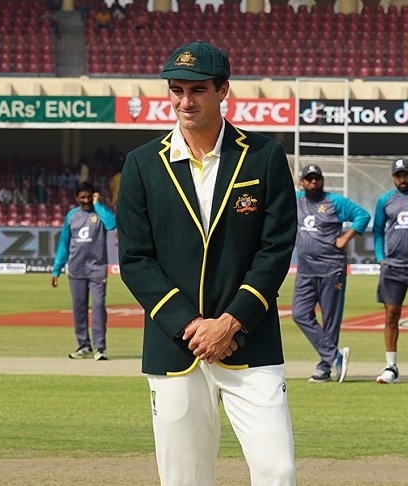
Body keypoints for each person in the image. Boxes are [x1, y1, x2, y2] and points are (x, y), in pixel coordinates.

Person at [116, 41, 297, 485]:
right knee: (184, 479)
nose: (184, 101)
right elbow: (135, 259)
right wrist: (191, 326)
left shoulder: (264, 156)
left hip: (248, 343)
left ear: (222, 90)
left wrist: (231, 323)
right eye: (176, 90)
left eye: (197, 90)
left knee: (278, 469)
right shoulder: (141, 164)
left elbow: (276, 249)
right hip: (177, 346)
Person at [292, 164, 370, 383]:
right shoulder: (295, 200)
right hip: (306, 270)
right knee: (300, 314)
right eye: (309, 179)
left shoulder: (335, 202)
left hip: (331, 269)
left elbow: (362, 215)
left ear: (322, 181)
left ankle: (325, 367)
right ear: (302, 182)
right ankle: (335, 356)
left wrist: (345, 238)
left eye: (317, 178)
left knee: (330, 320)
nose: (313, 182)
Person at [51, 181, 116, 361]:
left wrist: (98, 204)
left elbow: (111, 225)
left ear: (94, 196)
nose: (86, 200)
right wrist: (56, 270)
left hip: (97, 268)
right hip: (76, 269)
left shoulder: (101, 213)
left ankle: (100, 348)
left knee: (98, 306)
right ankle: (83, 345)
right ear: (76, 198)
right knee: (79, 309)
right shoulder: (72, 215)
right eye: (83, 197)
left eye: (89, 196)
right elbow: (64, 243)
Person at [372, 157, 408, 384]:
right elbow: (378, 230)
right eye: (398, 175)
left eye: (405, 174)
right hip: (393, 268)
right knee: (391, 315)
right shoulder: (385, 200)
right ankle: (391, 367)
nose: (402, 178)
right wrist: (381, 258)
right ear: (393, 177)